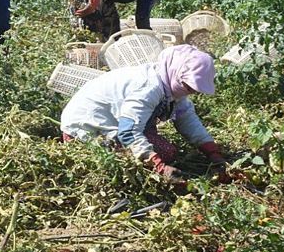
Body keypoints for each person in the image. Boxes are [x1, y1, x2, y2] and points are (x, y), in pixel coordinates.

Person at [60, 45, 228, 180]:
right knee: (166, 152)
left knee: (166, 150)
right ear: (176, 73)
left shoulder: (170, 82)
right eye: (188, 86)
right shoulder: (149, 87)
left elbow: (187, 118)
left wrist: (212, 150)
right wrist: (158, 165)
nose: (190, 92)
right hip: (85, 129)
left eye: (195, 90)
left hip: (117, 121)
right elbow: (128, 131)